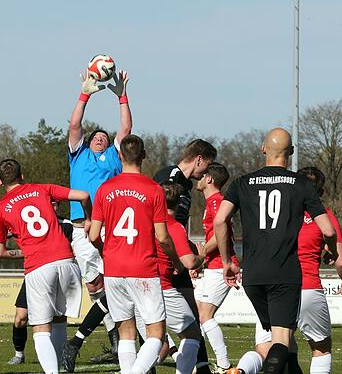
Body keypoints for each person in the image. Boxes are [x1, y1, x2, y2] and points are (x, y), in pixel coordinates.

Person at [213, 129, 339, 374]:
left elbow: (220, 221)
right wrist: (332, 250)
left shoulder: (242, 182)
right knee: (281, 339)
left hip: (253, 275)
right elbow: (329, 231)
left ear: (263, 149)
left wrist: (227, 261)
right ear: (290, 153)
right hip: (285, 272)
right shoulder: (301, 184)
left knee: (278, 340)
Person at [235, 167, 342, 374]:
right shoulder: (323, 216)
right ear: (320, 193)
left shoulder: (278, 215)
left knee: (267, 350)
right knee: (321, 348)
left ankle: (242, 370)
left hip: (271, 284)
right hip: (306, 287)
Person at [87, 134, 185, 374]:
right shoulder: (154, 190)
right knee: (156, 333)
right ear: (144, 155)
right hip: (143, 268)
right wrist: (176, 262)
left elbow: (92, 235)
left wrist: (106, 252)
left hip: (114, 270)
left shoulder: (105, 188)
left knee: (126, 332)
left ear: (119, 156)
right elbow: (162, 237)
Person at [0, 158, 91, 374]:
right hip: (66, 261)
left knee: (41, 329)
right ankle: (62, 368)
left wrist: (22, 251)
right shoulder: (42, 189)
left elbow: (0, 253)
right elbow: (83, 195)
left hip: (39, 266)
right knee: (59, 319)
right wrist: (89, 219)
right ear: (22, 176)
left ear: (0, 182)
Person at [62, 69, 132, 370]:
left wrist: (122, 96)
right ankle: (116, 337)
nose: (101, 139)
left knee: (119, 282)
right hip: (83, 227)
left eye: (105, 137)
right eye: (97, 137)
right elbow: (75, 124)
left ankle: (123, 341)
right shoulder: (78, 155)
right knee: (95, 287)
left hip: (112, 228)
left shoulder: (115, 157)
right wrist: (85, 95)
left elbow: (126, 129)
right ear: (88, 142)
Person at [135, 181, 206, 374]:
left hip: (135, 285)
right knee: (192, 334)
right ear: (180, 202)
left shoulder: (142, 220)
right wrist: (202, 256)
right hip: (161, 286)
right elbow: (189, 262)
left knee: (154, 340)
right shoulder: (173, 226)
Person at [8, 205, 75, 366]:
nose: (51, 206)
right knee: (20, 318)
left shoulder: (66, 225)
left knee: (58, 318)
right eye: (48, 203)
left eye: (54, 203)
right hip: (35, 274)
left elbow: (75, 248)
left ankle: (58, 360)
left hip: (58, 275)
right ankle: (19, 354)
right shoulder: (33, 224)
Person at [194, 162, 238, 372]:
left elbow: (220, 235)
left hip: (221, 265)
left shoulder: (217, 202)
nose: (199, 179)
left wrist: (200, 255)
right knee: (197, 314)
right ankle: (199, 361)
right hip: (212, 265)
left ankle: (224, 365)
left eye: (202, 176)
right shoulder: (212, 202)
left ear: (209, 179)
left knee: (205, 315)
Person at [153, 139, 218, 226]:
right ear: (199, 160)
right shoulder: (170, 176)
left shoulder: (188, 184)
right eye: (208, 165)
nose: (207, 171)